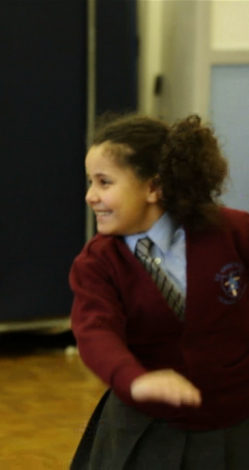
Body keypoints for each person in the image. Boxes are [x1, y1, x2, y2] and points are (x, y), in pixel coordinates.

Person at [69, 113, 249, 469]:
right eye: (90, 182)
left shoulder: (232, 231)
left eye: (105, 183)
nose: (91, 196)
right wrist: (134, 380)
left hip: (236, 420)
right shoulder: (98, 262)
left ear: (154, 187)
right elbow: (95, 331)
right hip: (147, 427)